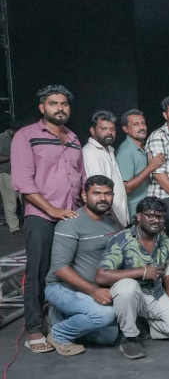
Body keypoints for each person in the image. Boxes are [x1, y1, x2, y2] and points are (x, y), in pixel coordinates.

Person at [11, 85, 85, 352]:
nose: (60, 108)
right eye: (53, 103)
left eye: (64, 104)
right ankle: (34, 329)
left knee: (68, 271)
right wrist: (52, 210)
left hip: (71, 215)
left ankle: (59, 324)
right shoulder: (26, 136)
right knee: (38, 272)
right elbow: (23, 182)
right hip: (42, 216)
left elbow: (81, 177)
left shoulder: (73, 138)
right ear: (42, 107)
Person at [95, 197, 169, 359]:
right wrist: (142, 272)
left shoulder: (164, 241)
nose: (156, 220)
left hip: (155, 294)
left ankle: (144, 327)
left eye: (160, 217)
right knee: (128, 287)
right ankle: (129, 337)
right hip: (129, 296)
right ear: (139, 216)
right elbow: (101, 276)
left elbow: (165, 273)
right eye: (151, 216)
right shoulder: (122, 239)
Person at [44, 175, 121, 355]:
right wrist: (94, 291)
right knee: (104, 315)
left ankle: (59, 316)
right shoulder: (70, 223)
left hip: (93, 288)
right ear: (85, 196)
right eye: (96, 193)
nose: (103, 198)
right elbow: (60, 268)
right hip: (62, 288)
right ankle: (58, 334)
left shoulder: (111, 222)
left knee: (110, 335)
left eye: (108, 194)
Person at [82, 110, 129, 226]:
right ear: (92, 130)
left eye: (112, 129)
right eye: (103, 129)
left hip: (117, 220)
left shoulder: (109, 150)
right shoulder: (90, 153)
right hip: (107, 222)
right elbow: (99, 195)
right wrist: (117, 225)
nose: (109, 132)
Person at [116, 109, 166, 219]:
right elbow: (126, 188)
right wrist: (150, 168)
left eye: (143, 123)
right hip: (135, 213)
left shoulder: (145, 146)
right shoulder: (125, 151)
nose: (141, 127)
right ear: (125, 129)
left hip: (148, 209)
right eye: (136, 124)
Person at [0, 122, 21, 235]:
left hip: (19, 173)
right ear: (12, 130)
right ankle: (14, 228)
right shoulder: (2, 138)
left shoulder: (19, 137)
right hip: (6, 173)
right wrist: (12, 156)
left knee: (26, 200)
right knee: (10, 202)